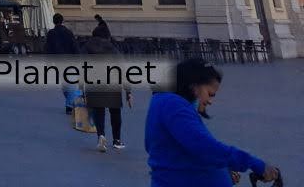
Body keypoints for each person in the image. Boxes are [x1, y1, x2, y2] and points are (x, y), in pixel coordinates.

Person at [145, 58, 278, 186]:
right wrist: (254, 163)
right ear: (194, 86)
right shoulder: (172, 105)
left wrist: (223, 167)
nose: (210, 101)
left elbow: (176, 150)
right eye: (210, 93)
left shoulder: (168, 103)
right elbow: (204, 146)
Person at [83, 36, 131, 151]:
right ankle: (117, 140)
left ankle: (101, 135)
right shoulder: (113, 49)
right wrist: (128, 91)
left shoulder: (87, 49)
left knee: (98, 112)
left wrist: (82, 90)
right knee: (115, 112)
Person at [44, 13, 81, 114]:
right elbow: (75, 46)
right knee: (71, 84)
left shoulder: (51, 33)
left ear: (53, 21)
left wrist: (48, 64)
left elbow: (48, 49)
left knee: (65, 84)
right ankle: (70, 105)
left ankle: (70, 102)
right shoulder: (68, 32)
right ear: (62, 21)